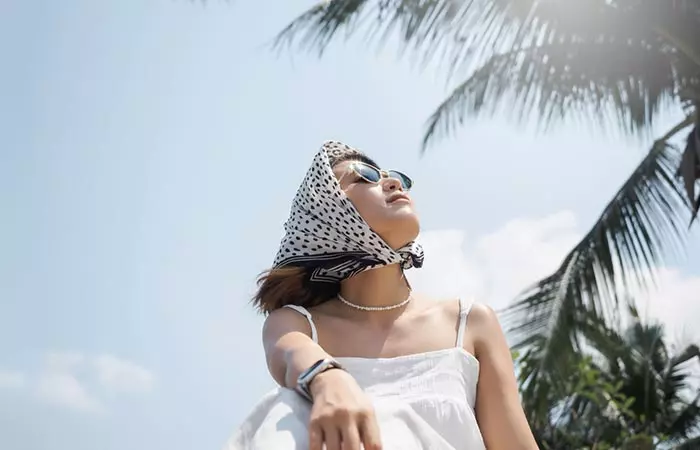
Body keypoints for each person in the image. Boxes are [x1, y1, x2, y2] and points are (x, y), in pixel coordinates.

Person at [226, 140, 539, 450]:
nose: (392, 183)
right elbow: (291, 353)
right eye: (365, 177)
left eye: (399, 178)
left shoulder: (469, 322)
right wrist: (327, 379)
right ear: (330, 210)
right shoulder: (301, 323)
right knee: (286, 405)